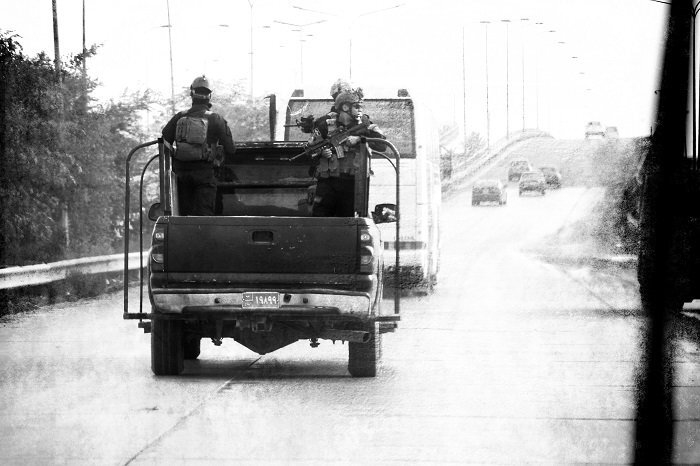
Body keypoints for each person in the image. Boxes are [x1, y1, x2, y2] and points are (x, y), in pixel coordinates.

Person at [162, 76, 236, 216]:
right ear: (209, 96)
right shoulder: (216, 119)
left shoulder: (179, 117)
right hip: (205, 176)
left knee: (183, 216)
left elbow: (165, 139)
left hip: (181, 176)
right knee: (203, 216)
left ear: (192, 93)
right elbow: (230, 149)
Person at [309, 88, 386, 217]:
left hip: (352, 183)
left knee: (347, 219)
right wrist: (321, 152)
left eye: (361, 107)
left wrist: (359, 139)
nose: (360, 110)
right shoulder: (325, 125)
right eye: (357, 106)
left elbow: (382, 145)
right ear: (345, 107)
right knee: (320, 217)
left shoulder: (366, 125)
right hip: (328, 182)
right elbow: (310, 149)